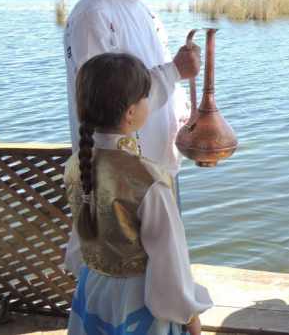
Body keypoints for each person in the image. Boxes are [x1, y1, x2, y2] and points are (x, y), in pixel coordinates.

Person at [64, 53, 212, 335]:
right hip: (139, 300)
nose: (149, 103)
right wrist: (189, 315)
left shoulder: (75, 165)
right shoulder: (149, 180)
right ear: (131, 112)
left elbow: (79, 240)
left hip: (94, 288)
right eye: (146, 97)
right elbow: (169, 260)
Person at [63, 0, 200, 208]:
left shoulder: (143, 12)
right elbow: (105, 103)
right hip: (117, 183)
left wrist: (185, 117)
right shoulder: (93, 14)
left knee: (164, 253)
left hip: (155, 170)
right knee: (109, 254)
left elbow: (147, 84)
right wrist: (175, 70)